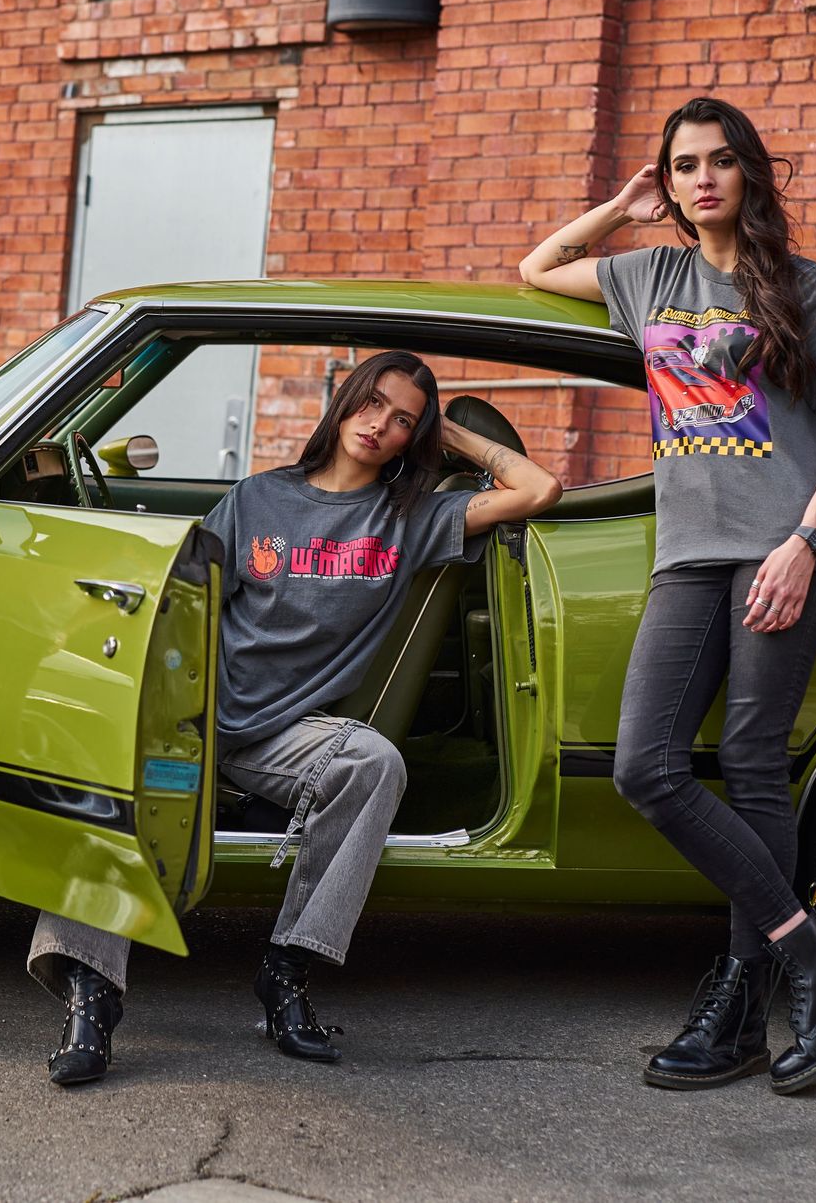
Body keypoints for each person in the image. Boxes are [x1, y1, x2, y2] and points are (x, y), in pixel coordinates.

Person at [28, 350, 563, 1086]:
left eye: (403, 420)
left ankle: (287, 970)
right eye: (373, 403)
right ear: (345, 401)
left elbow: (540, 488)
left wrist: (452, 432)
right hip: (193, 719)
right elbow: (185, 605)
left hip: (283, 735)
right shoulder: (257, 499)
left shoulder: (410, 518)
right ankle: (91, 999)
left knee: (374, 763)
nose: (380, 424)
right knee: (110, 759)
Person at [519, 96, 816, 1095]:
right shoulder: (650, 275)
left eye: (719, 160)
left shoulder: (804, 288)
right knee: (647, 765)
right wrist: (619, 206)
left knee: (750, 763)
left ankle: (741, 1002)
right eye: (683, 164)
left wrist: (804, 546)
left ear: (748, 173)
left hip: (782, 549)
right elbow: (536, 268)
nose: (701, 178)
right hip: (686, 554)